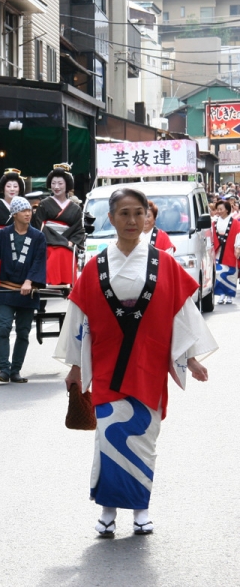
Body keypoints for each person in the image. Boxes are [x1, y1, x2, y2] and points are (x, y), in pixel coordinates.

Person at [54, 187, 216, 537]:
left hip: (150, 364)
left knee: (144, 437)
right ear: (110, 218)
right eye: (123, 213)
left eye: (138, 213)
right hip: (107, 366)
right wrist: (76, 366)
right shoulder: (96, 266)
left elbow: (180, 315)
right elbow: (79, 318)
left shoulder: (165, 263)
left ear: (147, 218)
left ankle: (141, 510)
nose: (131, 220)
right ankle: (108, 512)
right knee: (108, 438)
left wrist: (191, 357)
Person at [0, 196, 46, 383]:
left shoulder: (38, 236)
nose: (28, 213)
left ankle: (16, 370)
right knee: (3, 327)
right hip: (7, 291)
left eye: (29, 210)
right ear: (14, 214)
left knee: (23, 331)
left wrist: (30, 281)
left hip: (28, 291)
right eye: (23, 211)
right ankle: (4, 370)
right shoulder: (1, 235)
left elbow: (38, 262)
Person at [33, 164, 86, 287]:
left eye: (60, 183)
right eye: (53, 183)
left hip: (68, 242)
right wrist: (58, 241)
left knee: (66, 251)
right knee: (56, 252)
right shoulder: (44, 204)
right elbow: (38, 226)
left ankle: (67, 282)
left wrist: (72, 242)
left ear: (67, 185)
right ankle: (50, 281)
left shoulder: (75, 208)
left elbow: (78, 229)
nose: (56, 187)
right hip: (48, 242)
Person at [212, 199, 240, 304]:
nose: (218, 211)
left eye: (221, 209)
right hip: (219, 250)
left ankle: (229, 295)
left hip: (230, 249)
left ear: (227, 210)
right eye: (217, 209)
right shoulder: (215, 221)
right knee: (219, 273)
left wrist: (238, 247)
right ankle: (221, 294)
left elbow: (238, 235)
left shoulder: (235, 222)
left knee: (230, 272)